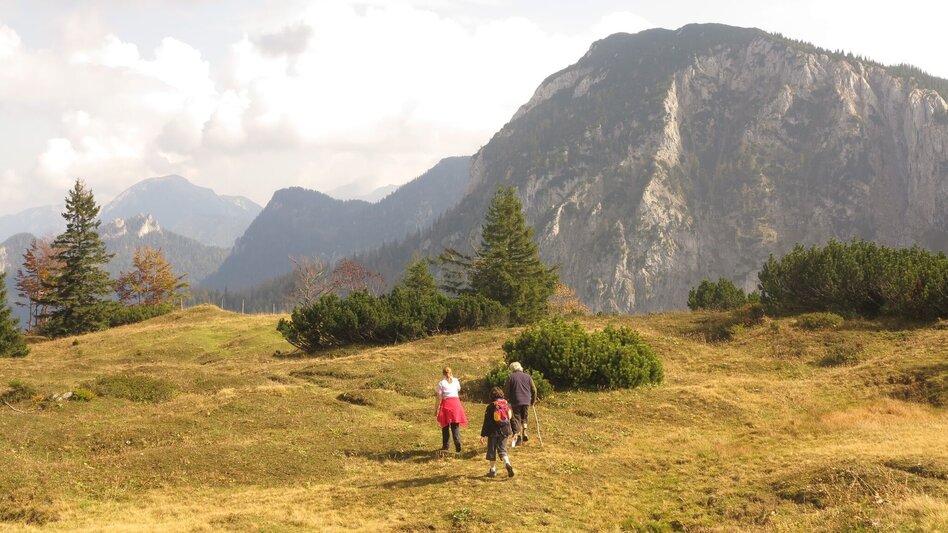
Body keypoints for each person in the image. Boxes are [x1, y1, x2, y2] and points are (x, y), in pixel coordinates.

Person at [479, 386, 514, 478]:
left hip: (493, 432)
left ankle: (493, 470)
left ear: (491, 396)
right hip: (506, 430)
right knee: (502, 449)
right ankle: (507, 463)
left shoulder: (491, 406)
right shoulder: (507, 405)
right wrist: (514, 431)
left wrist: (483, 435)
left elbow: (486, 422)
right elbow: (511, 418)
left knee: (492, 450)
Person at [435, 366, 467, 455]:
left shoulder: (441, 383)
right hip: (456, 404)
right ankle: (458, 444)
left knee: (445, 425)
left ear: (443, 374)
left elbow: (438, 398)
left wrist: (436, 409)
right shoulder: (456, 381)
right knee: (455, 425)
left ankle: (446, 446)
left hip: (447, 404)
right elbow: (458, 389)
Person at [504, 361, 537, 446]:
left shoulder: (510, 377)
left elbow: (506, 391)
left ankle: (518, 437)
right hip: (526, 401)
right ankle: (525, 430)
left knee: (517, 418)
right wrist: (532, 401)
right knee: (525, 417)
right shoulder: (528, 377)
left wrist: (506, 400)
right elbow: (534, 390)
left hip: (515, 401)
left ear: (512, 369)